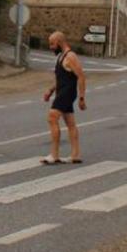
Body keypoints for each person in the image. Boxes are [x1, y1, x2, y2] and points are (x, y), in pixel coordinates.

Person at [42, 31, 87, 164]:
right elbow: (61, 79)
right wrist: (50, 90)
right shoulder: (61, 57)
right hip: (62, 91)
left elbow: (81, 76)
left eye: (52, 44)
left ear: (60, 42)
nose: (51, 47)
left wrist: (82, 97)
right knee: (70, 123)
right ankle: (75, 155)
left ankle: (54, 155)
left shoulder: (70, 56)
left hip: (67, 93)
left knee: (52, 117)